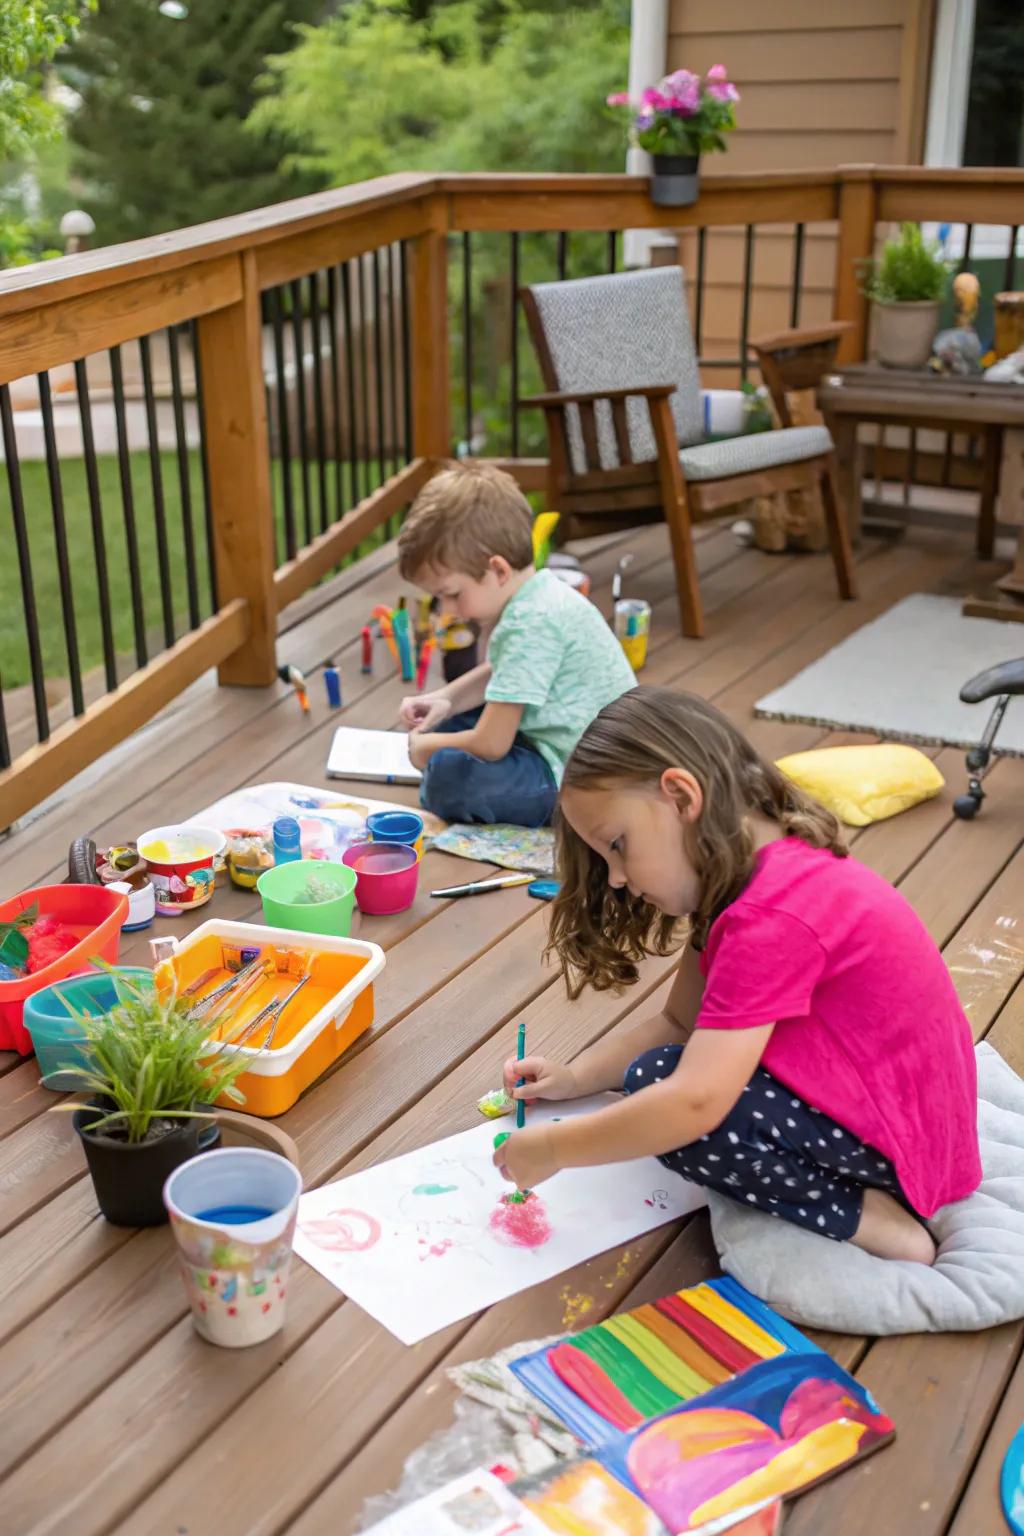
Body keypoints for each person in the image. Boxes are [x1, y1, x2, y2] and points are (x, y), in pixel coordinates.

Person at [494, 687, 982, 1265]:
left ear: (680, 796)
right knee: (662, 1076)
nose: (618, 878)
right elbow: (680, 1021)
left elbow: (697, 1101)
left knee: (670, 1097)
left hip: (904, 1149)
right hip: (897, 1115)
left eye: (617, 847)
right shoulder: (752, 874)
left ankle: (876, 1223)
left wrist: (556, 1146)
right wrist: (576, 1079)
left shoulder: (767, 916)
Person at [396, 461, 636, 826]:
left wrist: (425, 750)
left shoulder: (531, 622)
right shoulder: (539, 592)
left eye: (451, 594)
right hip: (554, 740)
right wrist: (443, 700)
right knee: (449, 725)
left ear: (498, 570)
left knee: (450, 776)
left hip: (577, 777)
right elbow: (506, 671)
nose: (447, 610)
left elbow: (491, 744)